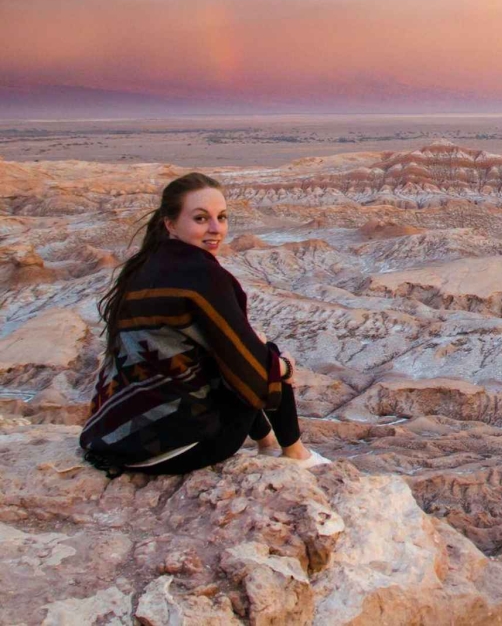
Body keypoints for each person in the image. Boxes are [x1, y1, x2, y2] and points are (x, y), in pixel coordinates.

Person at [79, 172, 328, 474]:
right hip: (176, 447)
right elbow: (248, 366)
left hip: (113, 440)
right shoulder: (203, 277)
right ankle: (296, 454)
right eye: (200, 219)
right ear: (170, 224)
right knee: (266, 357)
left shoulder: (142, 267)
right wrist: (285, 367)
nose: (215, 229)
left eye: (221, 217)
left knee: (241, 352)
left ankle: (267, 444)